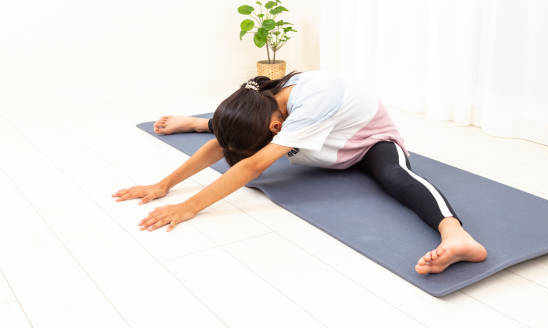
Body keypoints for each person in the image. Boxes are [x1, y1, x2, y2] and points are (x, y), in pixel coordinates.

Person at [113, 70, 487, 274]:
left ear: (276, 129)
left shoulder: (312, 104)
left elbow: (253, 164)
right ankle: (196, 123)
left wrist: (190, 207)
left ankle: (457, 237)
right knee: (231, 128)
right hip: (319, 140)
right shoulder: (261, 100)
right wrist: (164, 185)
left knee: (394, 176)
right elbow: (226, 143)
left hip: (367, 143)